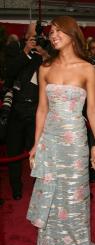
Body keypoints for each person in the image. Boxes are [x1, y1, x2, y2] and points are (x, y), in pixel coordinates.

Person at [27, 16, 95, 245]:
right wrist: (35, 144)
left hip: (75, 144)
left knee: (74, 193)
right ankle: (51, 242)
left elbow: (92, 110)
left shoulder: (87, 68)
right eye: (51, 32)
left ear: (73, 34)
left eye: (59, 31)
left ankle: (76, 244)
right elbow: (41, 109)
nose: (53, 35)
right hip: (50, 140)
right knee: (51, 192)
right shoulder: (45, 67)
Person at [3, 25, 49, 200]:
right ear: (25, 37)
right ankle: (16, 186)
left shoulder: (44, 53)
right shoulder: (16, 51)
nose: (35, 39)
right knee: (14, 151)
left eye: (38, 36)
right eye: (32, 36)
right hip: (16, 109)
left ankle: (39, 186)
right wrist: (27, 51)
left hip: (37, 110)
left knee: (37, 150)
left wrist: (43, 54)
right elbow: (10, 72)